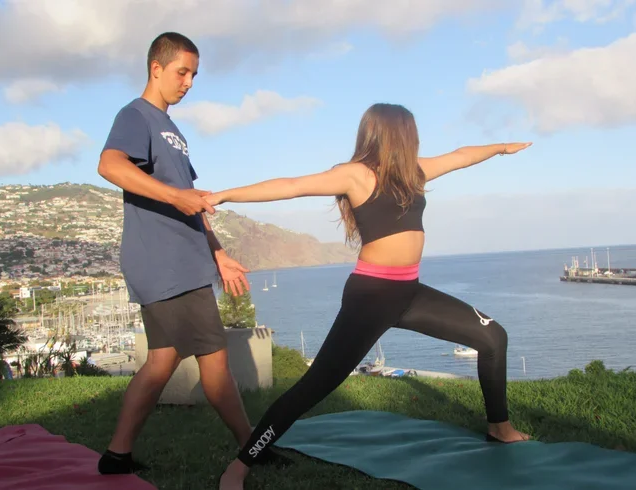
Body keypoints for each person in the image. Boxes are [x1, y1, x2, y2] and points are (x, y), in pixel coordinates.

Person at [207, 103, 533, 489]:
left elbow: (462, 156)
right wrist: (224, 195)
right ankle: (240, 466)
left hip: (409, 292)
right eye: (411, 131)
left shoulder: (415, 172)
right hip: (370, 298)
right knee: (313, 387)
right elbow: (291, 186)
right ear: (393, 134)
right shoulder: (357, 175)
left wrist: (500, 148)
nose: (416, 138)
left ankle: (499, 427)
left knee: (493, 337)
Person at [96, 31, 280, 475]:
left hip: (185, 260)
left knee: (161, 361)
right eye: (182, 72)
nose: (189, 83)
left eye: (194, 75)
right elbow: (109, 164)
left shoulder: (172, 131)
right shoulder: (135, 115)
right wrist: (174, 196)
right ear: (156, 68)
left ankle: (117, 455)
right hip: (167, 264)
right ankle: (252, 449)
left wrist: (217, 252)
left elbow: (190, 200)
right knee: (215, 363)